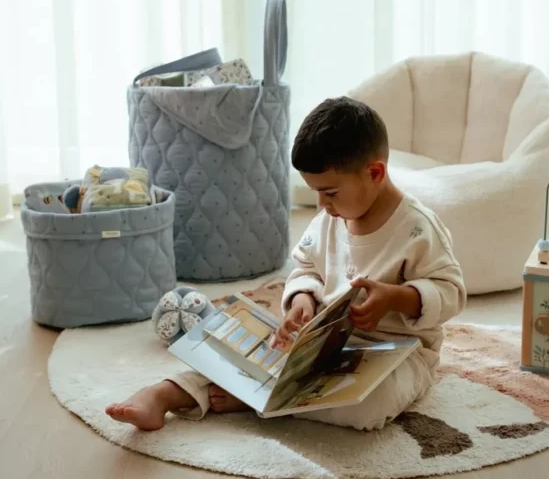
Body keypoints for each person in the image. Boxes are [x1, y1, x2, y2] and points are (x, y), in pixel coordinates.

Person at [106, 97, 466, 431]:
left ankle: (261, 400)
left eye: (330, 192)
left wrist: (395, 298)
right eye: (316, 191)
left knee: (369, 406)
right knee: (241, 349)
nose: (322, 203)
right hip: (323, 344)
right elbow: (305, 269)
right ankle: (165, 393)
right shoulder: (330, 218)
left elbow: (450, 292)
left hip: (400, 355)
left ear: (374, 173)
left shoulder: (418, 229)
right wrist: (302, 302)